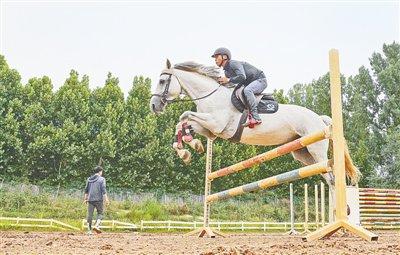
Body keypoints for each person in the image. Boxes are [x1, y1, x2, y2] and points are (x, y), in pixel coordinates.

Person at [212, 47, 268, 127]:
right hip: (249, 83)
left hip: (260, 80)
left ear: (224, 57)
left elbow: (242, 76)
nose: (215, 59)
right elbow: (233, 83)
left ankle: (256, 117)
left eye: (217, 57)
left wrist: (228, 80)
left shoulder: (233, 63)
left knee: (247, 90)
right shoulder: (227, 72)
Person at [84, 166, 110, 234]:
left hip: (90, 199)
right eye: (101, 171)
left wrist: (85, 198)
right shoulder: (102, 179)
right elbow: (103, 189)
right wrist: (106, 199)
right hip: (99, 199)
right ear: (100, 171)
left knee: (89, 215)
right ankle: (96, 225)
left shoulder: (89, 179)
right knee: (100, 213)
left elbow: (86, 189)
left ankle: (89, 231)